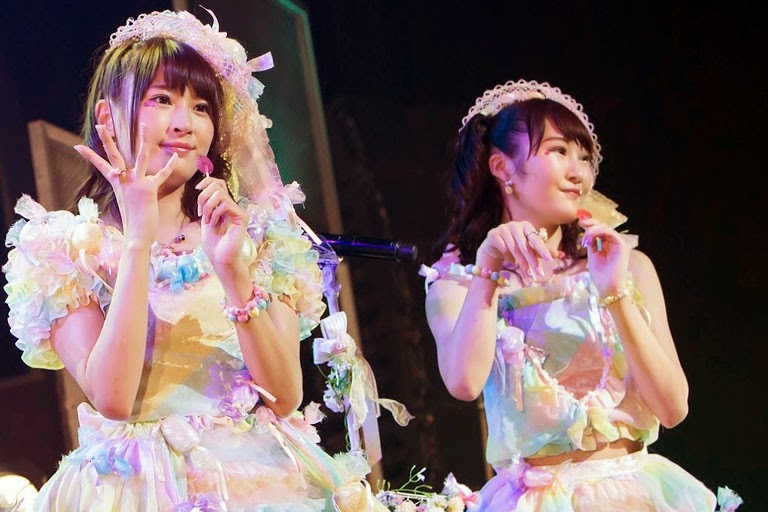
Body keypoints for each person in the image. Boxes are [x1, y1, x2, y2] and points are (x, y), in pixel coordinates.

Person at [3, 9, 386, 511]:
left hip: (256, 480)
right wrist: (137, 241)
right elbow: (113, 399)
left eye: (201, 107)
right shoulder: (66, 250)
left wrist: (232, 272)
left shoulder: (257, 238)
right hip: (131, 489)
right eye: (162, 99)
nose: (185, 123)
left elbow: (284, 395)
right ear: (107, 117)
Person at [421, 80, 742, 511]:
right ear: (501, 167)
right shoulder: (456, 285)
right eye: (559, 151)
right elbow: (464, 383)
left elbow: (672, 408)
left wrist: (614, 293)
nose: (580, 173)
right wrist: (488, 272)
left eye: (584, 157)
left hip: (634, 495)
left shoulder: (628, 267)